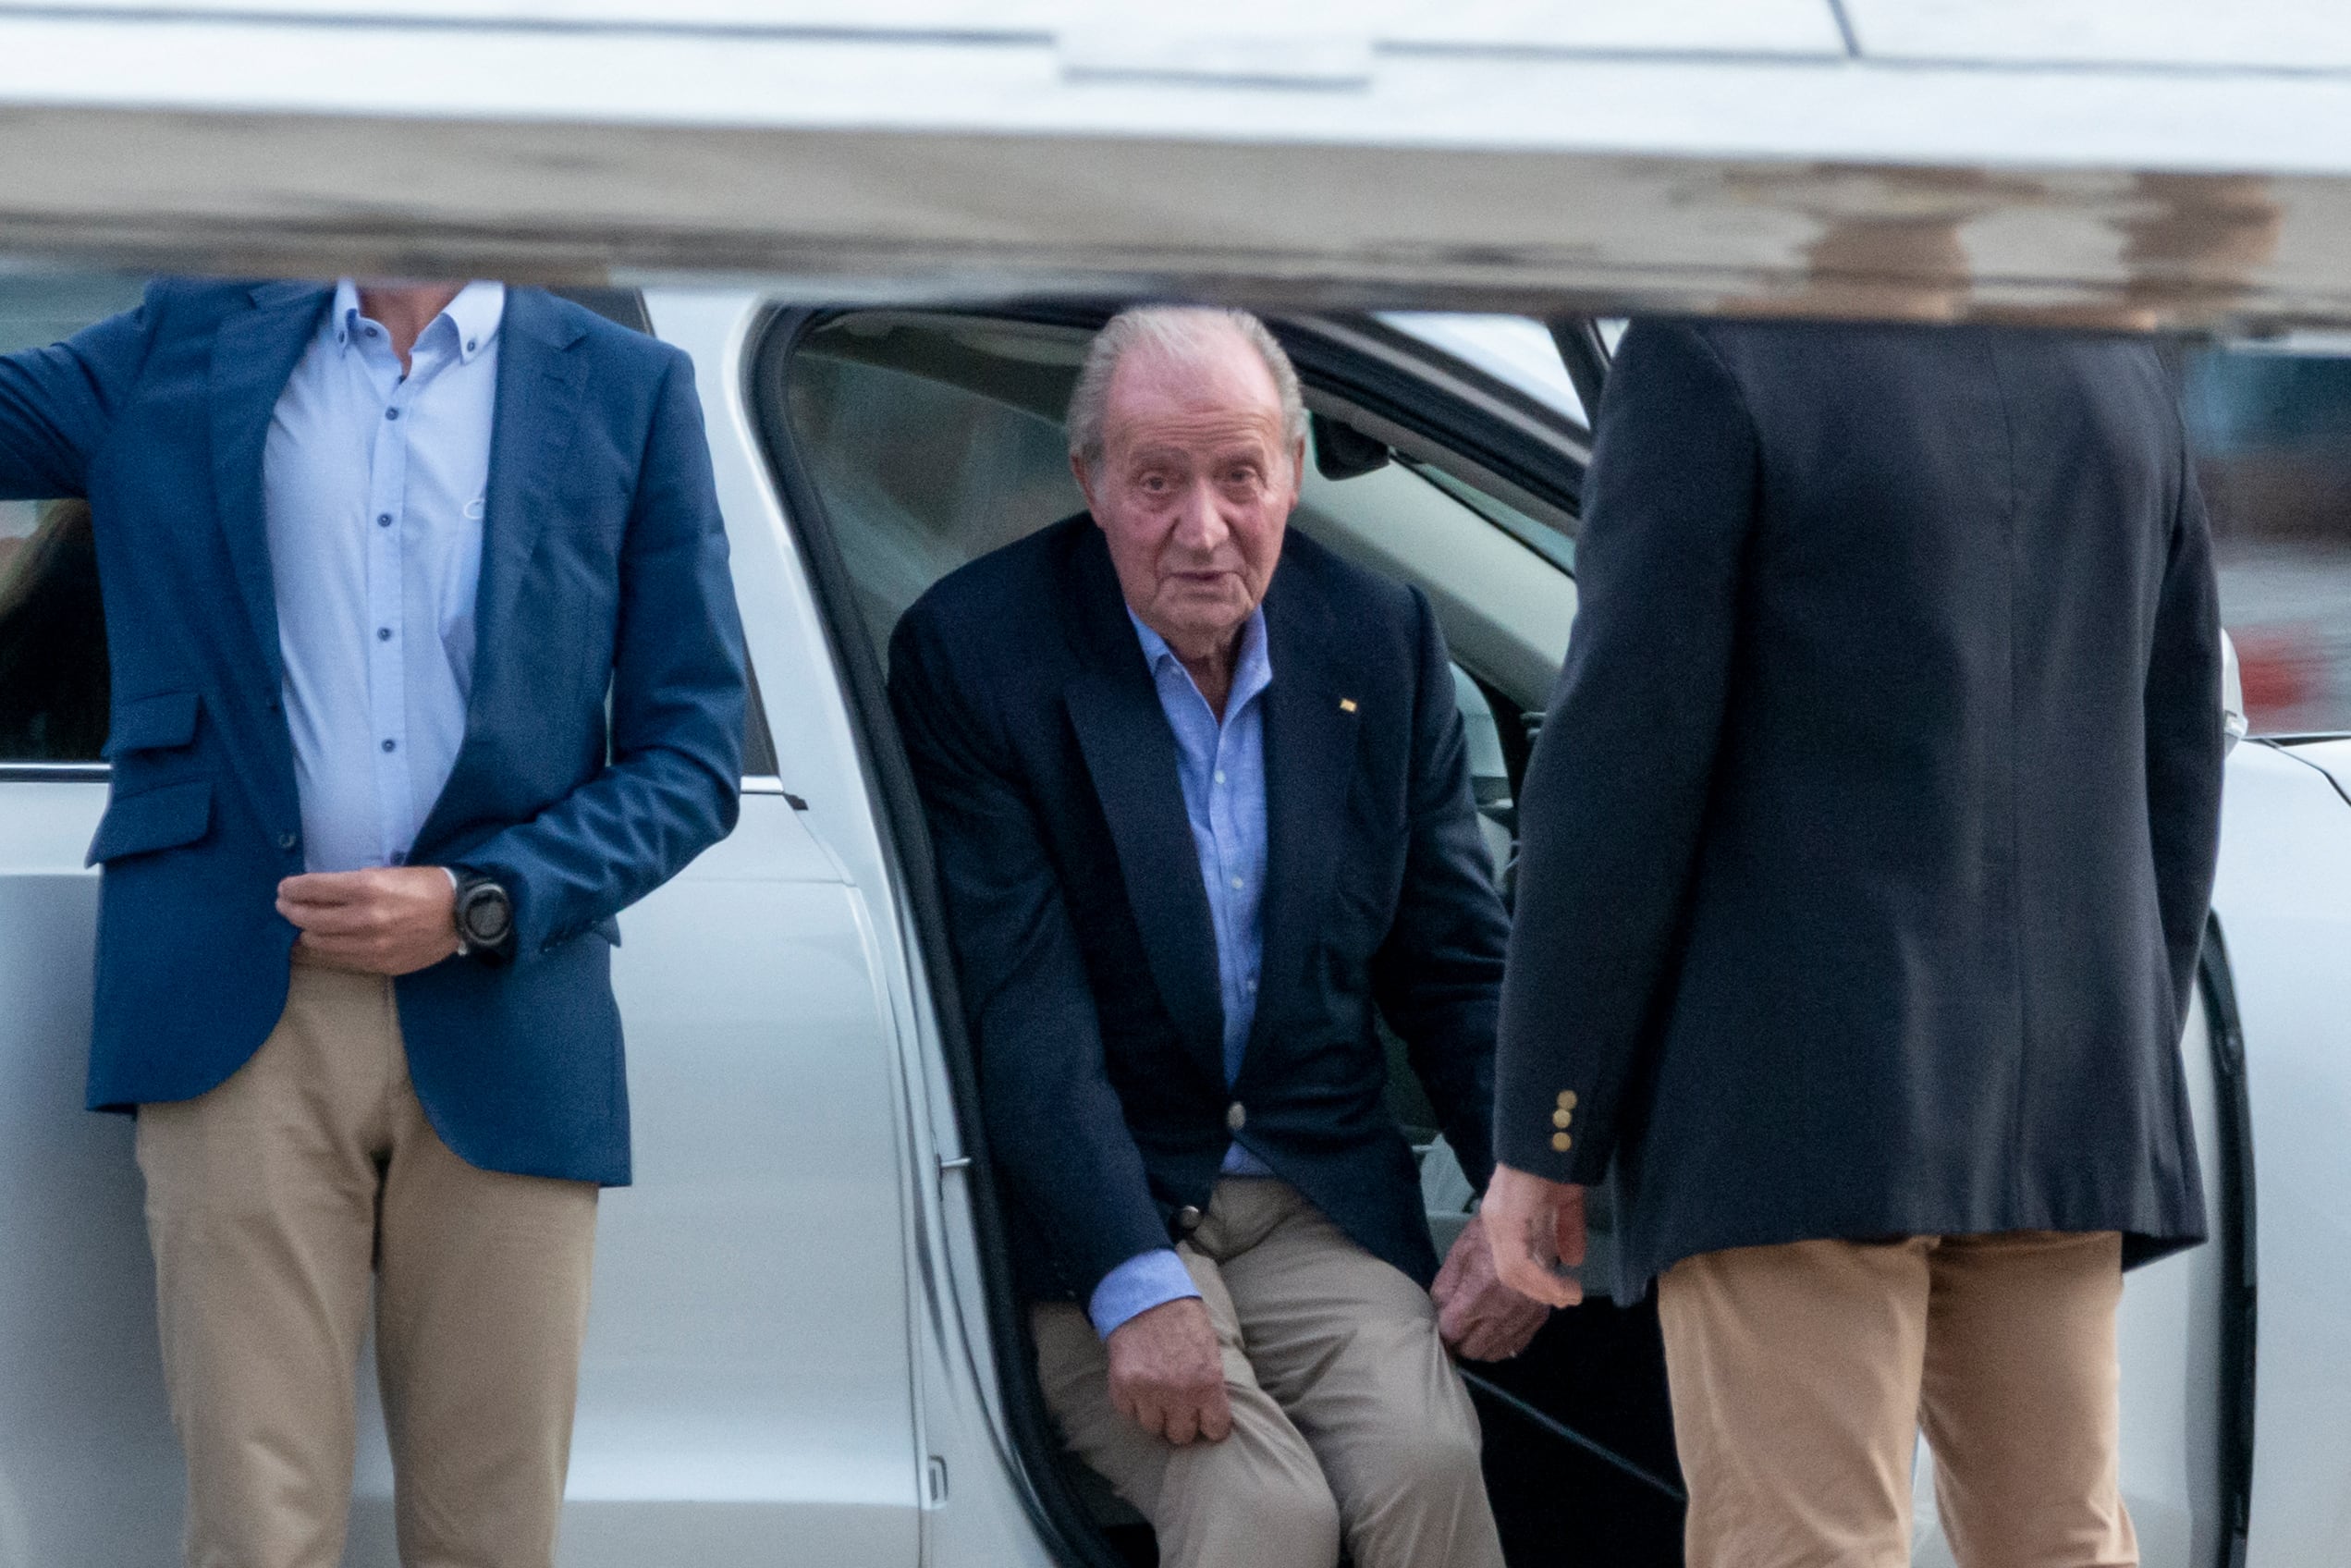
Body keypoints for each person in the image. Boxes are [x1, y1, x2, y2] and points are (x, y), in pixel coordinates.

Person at [0, 278, 747, 1568]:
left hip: (510, 1014)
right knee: (255, 1531)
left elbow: (693, 758)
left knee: (492, 1537)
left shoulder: (630, 387)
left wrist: (481, 902)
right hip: (239, 1012)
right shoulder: (185, 342)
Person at [1482, 319, 2225, 1566]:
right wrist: (2122, 1029)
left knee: (1806, 1547)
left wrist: (1548, 1123)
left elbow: (1624, 759)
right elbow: (2179, 745)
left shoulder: (1711, 350)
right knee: (2064, 1544)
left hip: (1793, 1110)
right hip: (2060, 1101)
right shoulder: (2114, 355)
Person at [890, 306, 1546, 1568]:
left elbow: (1455, 962)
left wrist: (1522, 1190)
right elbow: (1024, 1012)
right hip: (1103, 1206)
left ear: (1290, 473)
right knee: (1261, 1511)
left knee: (1430, 1463)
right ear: (1089, 481)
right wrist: (1132, 1280)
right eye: (1155, 481)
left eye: (1239, 475)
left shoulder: (1380, 639)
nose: (1203, 527)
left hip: (1314, 1196)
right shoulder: (980, 655)